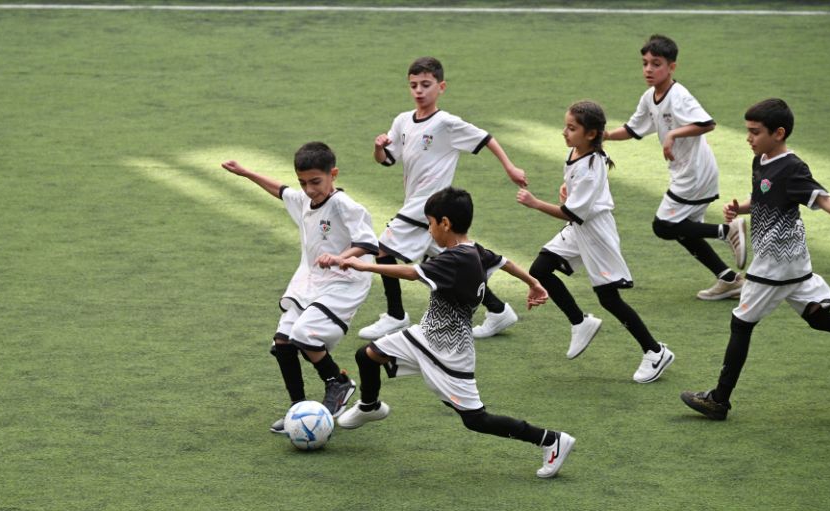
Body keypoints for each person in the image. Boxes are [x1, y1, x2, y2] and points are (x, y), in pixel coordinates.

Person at [328, 187, 575, 479]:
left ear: (445, 223)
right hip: (424, 337)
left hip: (450, 352)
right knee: (368, 355)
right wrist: (533, 282)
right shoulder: (474, 250)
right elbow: (504, 261)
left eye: (430, 223)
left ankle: (550, 439)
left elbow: (412, 273)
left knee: (476, 419)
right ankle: (370, 406)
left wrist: (361, 265)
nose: (429, 230)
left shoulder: (456, 259)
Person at [681, 99, 830, 420]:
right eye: (748, 131)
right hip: (794, 264)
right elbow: (763, 197)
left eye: (755, 132)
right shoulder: (761, 160)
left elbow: (821, 197)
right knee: (818, 317)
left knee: (741, 324)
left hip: (774, 266)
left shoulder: (792, 168)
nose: (748, 137)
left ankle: (719, 400)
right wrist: (740, 208)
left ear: (778, 133)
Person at [358, 56, 529, 341]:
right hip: (418, 203)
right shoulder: (402, 121)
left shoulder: (447, 123)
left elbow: (486, 138)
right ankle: (498, 310)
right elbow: (386, 160)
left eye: (426, 84)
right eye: (414, 85)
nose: (419, 90)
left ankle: (395, 315)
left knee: (383, 248)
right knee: (449, 261)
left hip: (429, 203)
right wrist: (378, 148)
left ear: (441, 87)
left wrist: (510, 167)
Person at [221, 142, 380, 433]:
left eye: (315, 182)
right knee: (283, 342)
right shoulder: (305, 200)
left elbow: (369, 242)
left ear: (333, 174)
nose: (309, 189)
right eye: (303, 182)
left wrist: (340, 258)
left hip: (345, 282)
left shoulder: (344, 205)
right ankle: (298, 409)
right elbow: (281, 190)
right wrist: (246, 173)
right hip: (310, 281)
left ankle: (338, 382)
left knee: (305, 334)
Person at [516, 101, 675, 383]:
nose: (564, 132)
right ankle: (580, 322)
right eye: (565, 126)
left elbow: (571, 212)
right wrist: (569, 188)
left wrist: (535, 203)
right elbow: (577, 191)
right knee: (540, 269)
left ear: (590, 134)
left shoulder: (590, 167)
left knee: (609, 299)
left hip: (596, 234)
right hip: (579, 228)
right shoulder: (578, 151)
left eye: (571, 128)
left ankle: (654, 352)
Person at [604, 34, 747, 301]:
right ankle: (729, 280)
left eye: (656, 64)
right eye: (645, 63)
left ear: (672, 67)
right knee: (684, 230)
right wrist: (607, 136)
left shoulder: (679, 96)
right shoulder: (649, 97)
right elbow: (633, 129)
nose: (648, 69)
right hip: (688, 171)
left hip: (694, 173)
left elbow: (707, 124)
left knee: (664, 226)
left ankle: (727, 231)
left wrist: (672, 135)